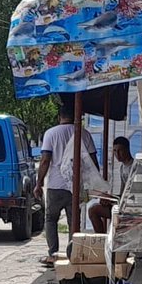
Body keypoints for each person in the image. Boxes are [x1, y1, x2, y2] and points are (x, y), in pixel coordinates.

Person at [34, 98, 100, 266]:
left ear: (60, 116)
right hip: (76, 187)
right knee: (74, 221)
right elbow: (93, 161)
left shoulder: (51, 133)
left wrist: (39, 183)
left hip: (55, 185)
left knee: (50, 219)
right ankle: (73, 254)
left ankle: (52, 254)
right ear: (77, 115)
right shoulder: (84, 133)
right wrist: (95, 181)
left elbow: (45, 160)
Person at [88, 136, 135, 234]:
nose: (117, 154)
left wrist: (112, 200)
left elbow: (134, 194)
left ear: (127, 149)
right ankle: (100, 239)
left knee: (95, 210)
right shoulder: (122, 167)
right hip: (122, 204)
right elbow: (123, 193)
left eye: (120, 150)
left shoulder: (135, 167)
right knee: (92, 209)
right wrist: (109, 199)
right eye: (114, 151)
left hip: (131, 207)